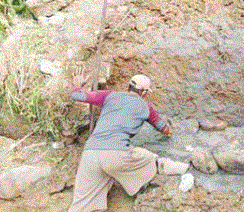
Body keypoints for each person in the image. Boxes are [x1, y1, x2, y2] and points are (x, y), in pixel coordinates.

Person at [68, 67, 172, 212]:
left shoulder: (110, 95)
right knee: (149, 159)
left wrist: (78, 85)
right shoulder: (146, 107)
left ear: (129, 87)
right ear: (144, 92)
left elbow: (77, 96)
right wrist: (168, 127)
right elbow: (164, 129)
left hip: (90, 153)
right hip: (116, 154)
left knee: (83, 206)